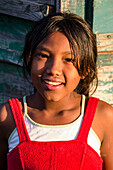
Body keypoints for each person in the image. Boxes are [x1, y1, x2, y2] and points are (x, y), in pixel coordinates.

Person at [0, 12, 113, 170]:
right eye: (44, 55)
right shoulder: (7, 118)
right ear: (29, 59)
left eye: (68, 59)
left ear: (86, 68)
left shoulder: (103, 117)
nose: (53, 70)